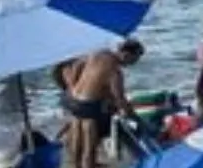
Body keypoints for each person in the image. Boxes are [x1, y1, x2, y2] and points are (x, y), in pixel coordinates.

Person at [57, 40, 144, 168]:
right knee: (89, 146)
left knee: (78, 135)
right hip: (88, 107)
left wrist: (73, 85)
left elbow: (76, 64)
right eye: (134, 59)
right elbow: (120, 100)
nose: (133, 64)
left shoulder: (100, 53)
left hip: (72, 100)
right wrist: (134, 118)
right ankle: (89, 164)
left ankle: (75, 164)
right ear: (126, 55)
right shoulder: (115, 72)